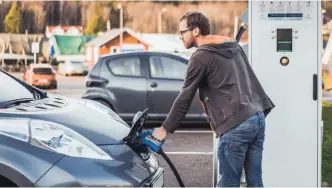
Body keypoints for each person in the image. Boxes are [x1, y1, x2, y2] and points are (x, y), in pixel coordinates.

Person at [152, 11, 275, 187]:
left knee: (228, 183)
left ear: (195, 31)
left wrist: (164, 130)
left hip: (236, 124)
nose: (179, 36)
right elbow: (249, 79)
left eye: (182, 32)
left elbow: (184, 97)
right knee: (255, 181)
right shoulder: (233, 46)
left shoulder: (201, 56)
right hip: (257, 118)